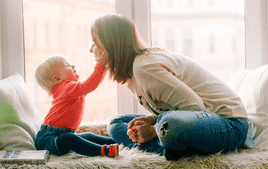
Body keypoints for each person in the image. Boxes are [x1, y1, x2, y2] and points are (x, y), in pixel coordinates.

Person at [89, 13, 258, 160]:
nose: (91, 50)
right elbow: (177, 109)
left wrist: (154, 129)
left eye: (95, 43)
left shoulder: (145, 68)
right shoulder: (134, 71)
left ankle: (167, 146)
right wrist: (150, 120)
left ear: (112, 45)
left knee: (168, 125)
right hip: (199, 121)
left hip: (231, 125)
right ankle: (171, 150)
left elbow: (195, 107)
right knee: (116, 124)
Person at [34, 54, 119, 157]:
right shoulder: (66, 88)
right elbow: (89, 85)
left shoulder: (69, 89)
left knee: (87, 136)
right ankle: (104, 150)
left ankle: (115, 141)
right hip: (49, 139)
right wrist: (100, 66)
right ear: (56, 79)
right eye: (67, 66)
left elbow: (91, 85)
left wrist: (103, 68)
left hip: (60, 135)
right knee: (70, 138)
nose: (73, 66)